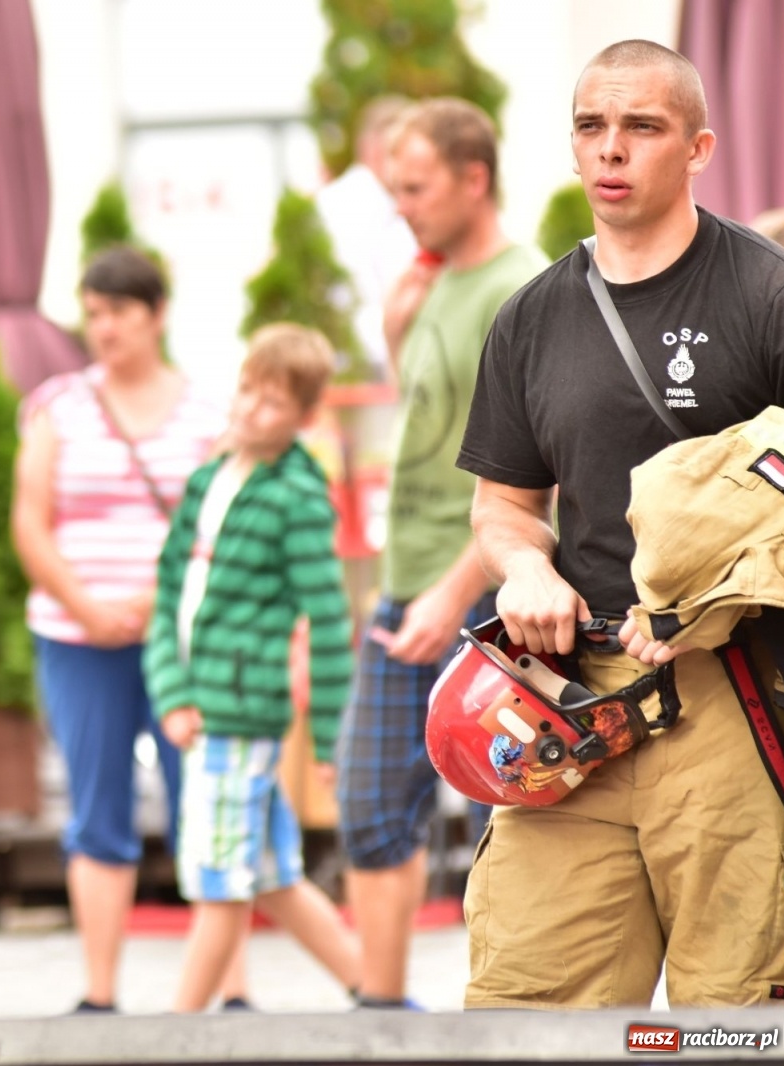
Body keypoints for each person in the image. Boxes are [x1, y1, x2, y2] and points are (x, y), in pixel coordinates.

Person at [459, 40, 784, 1007]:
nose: (611, 150)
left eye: (641, 128)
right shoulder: (530, 317)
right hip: (569, 709)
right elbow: (504, 506)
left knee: (733, 1021)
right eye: (591, 128)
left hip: (730, 703)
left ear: (697, 147)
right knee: (526, 1011)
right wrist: (524, 569)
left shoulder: (769, 296)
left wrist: (718, 595)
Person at [334, 97, 546, 1010]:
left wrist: (458, 589)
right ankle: (379, 1015)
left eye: (415, 189)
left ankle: (504, 1008)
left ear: (474, 177)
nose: (402, 208)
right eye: (393, 190)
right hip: (407, 577)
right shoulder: (430, 284)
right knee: (372, 806)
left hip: (483, 594)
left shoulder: (522, 286)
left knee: (514, 815)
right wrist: (393, 333)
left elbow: (535, 478)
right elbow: (431, 419)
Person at [11, 246, 225, 1013]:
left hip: (181, 640)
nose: (104, 329)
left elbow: (216, 528)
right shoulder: (58, 405)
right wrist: (87, 606)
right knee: (95, 806)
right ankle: (99, 992)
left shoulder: (207, 412)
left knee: (204, 799)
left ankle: (224, 988)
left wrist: (154, 607)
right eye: (93, 313)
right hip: (75, 638)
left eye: (120, 313)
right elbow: (31, 523)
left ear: (156, 314)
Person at [145, 323, 362, 1013]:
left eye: (272, 403)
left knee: (220, 885)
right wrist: (172, 691)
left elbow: (330, 623)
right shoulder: (210, 478)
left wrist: (330, 740)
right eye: (246, 391)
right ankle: (375, 993)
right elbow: (169, 592)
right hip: (202, 706)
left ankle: (173, 1034)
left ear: (303, 418)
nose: (249, 410)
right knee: (271, 879)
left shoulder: (299, 498)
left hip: (240, 715)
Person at [314, 95, 419, 380]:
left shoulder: (388, 203)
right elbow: (352, 302)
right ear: (372, 150)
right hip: (363, 372)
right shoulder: (344, 207)